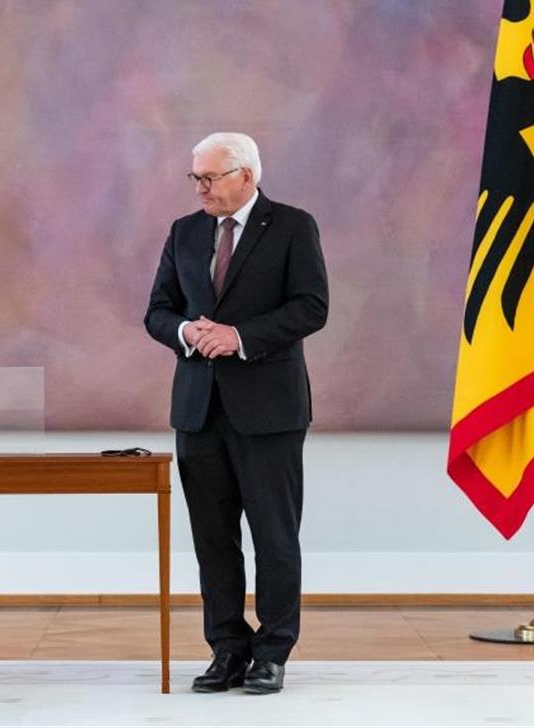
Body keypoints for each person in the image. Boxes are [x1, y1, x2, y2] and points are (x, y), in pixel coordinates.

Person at [144, 133, 328, 694]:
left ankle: (273, 651)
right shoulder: (185, 232)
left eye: (210, 178)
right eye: (195, 179)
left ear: (246, 176)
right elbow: (157, 311)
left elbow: (311, 307)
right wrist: (184, 331)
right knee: (212, 539)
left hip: (269, 410)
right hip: (199, 410)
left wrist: (241, 337)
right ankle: (227, 648)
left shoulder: (293, 226)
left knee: (274, 536)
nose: (200, 189)